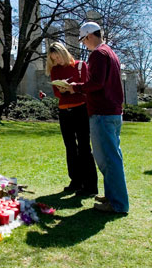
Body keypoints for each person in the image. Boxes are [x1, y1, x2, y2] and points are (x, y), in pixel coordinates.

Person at [66, 22, 129, 213]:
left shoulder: (98, 54)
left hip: (103, 112)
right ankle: (112, 196)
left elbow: (96, 83)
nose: (84, 44)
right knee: (111, 156)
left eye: (84, 40)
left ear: (89, 36)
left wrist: (74, 87)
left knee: (108, 159)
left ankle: (118, 204)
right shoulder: (109, 53)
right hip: (112, 112)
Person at [46, 42, 98, 196]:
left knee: (83, 146)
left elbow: (86, 89)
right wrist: (64, 90)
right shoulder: (55, 70)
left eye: (58, 57)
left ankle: (90, 185)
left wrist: (72, 88)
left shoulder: (80, 66)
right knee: (70, 146)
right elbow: (56, 92)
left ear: (64, 53)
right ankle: (75, 181)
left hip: (80, 108)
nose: (57, 61)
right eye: (53, 59)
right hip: (64, 110)